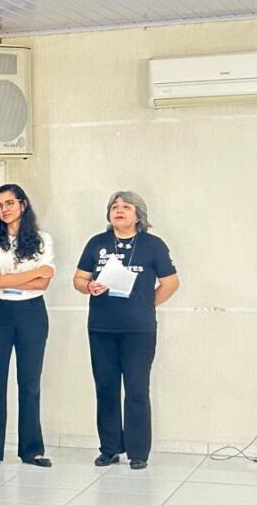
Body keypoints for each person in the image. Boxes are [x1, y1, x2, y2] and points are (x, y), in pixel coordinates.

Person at [73, 191, 179, 470]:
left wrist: (145, 304)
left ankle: (138, 452)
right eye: (114, 207)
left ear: (138, 215)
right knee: (106, 388)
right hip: (101, 328)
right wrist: (88, 286)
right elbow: (79, 278)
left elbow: (171, 282)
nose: (119, 211)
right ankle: (109, 448)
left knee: (136, 389)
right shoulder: (97, 243)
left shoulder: (152, 245)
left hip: (138, 330)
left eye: (125, 207)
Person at [0, 184, 55, 469]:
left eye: (10, 203)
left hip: (32, 313)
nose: (4, 209)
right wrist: (32, 273)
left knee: (30, 382)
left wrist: (13, 276)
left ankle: (32, 450)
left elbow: (45, 283)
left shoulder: (42, 239)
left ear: (23, 204)